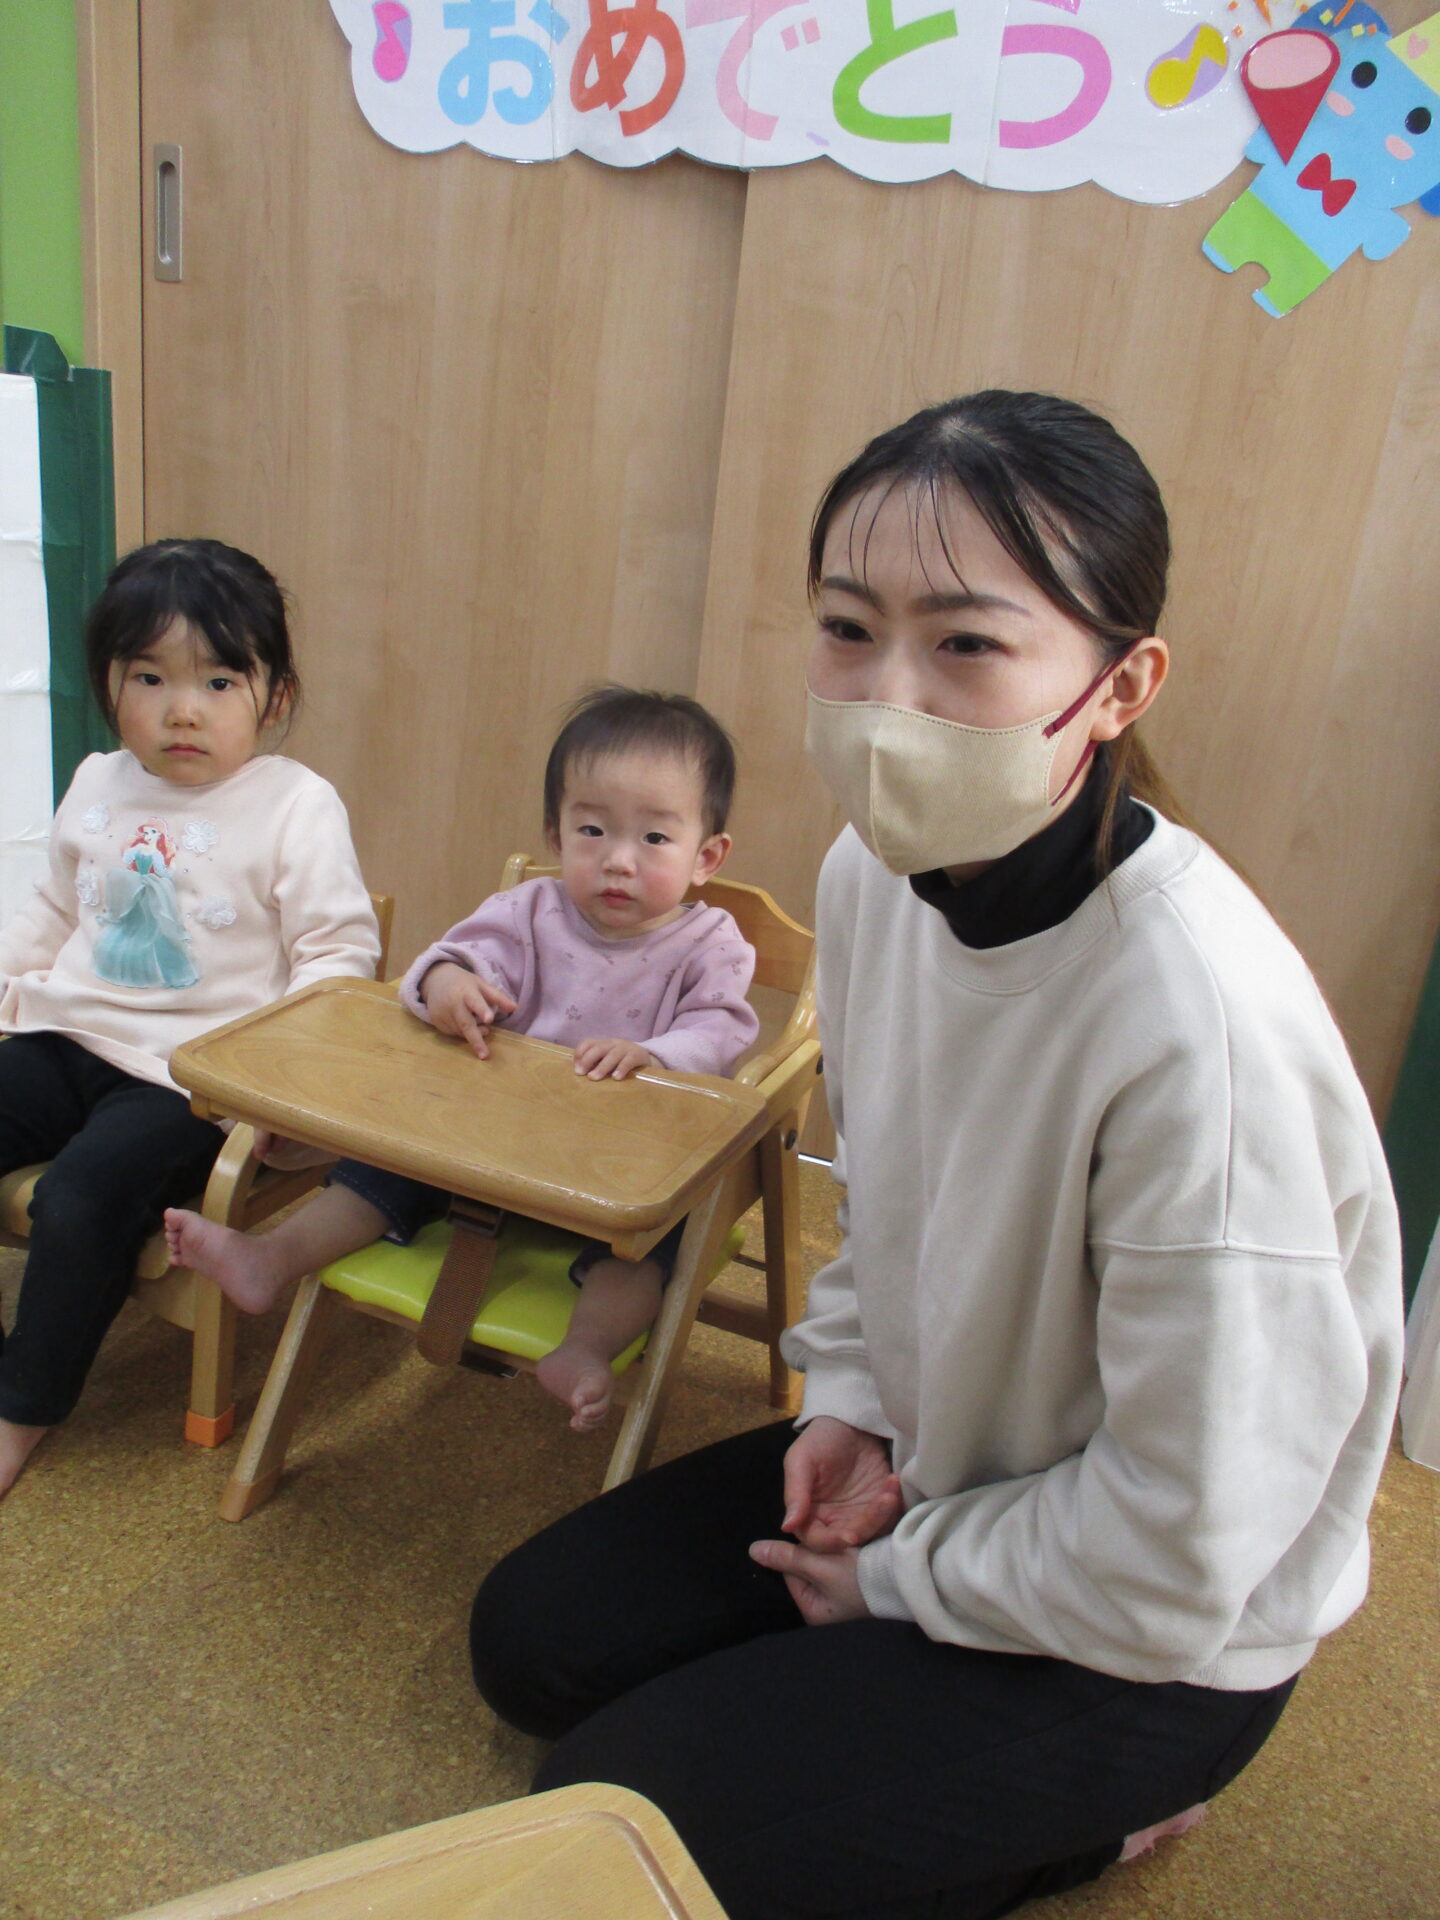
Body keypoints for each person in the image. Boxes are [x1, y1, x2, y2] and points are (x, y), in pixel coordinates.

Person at [464, 392, 1404, 1919]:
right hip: (945, 1465)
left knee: (612, 1834)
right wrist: (850, 1403)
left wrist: (901, 1581)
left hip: (1156, 1628)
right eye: (849, 630)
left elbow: (1188, 1545)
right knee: (534, 1646)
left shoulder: (1201, 1031)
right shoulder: (876, 875)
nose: (887, 700)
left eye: (966, 644)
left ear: (1119, 685)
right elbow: (889, 1207)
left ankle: (1113, 1817)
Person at [167, 685, 759, 1432]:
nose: (617, 860)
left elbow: (722, 1030)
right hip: (486, 1149)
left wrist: (655, 1054)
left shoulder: (711, 944)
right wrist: (448, 986)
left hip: (617, 1171)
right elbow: (446, 962)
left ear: (707, 856)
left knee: (653, 1246)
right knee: (380, 1166)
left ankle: (585, 1347)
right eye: (592, 829)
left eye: (653, 839)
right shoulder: (527, 912)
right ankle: (271, 1258)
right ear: (555, 834)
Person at [0, 538, 380, 1499]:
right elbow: (52, 912)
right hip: (61, 1035)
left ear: (275, 697)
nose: (183, 710)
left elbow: (337, 960)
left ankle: (20, 1409)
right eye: (150, 678)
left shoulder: (294, 804)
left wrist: (283, 1092)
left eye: (218, 681)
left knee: (79, 1198)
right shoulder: (98, 780)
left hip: (187, 1077)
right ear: (109, 685)